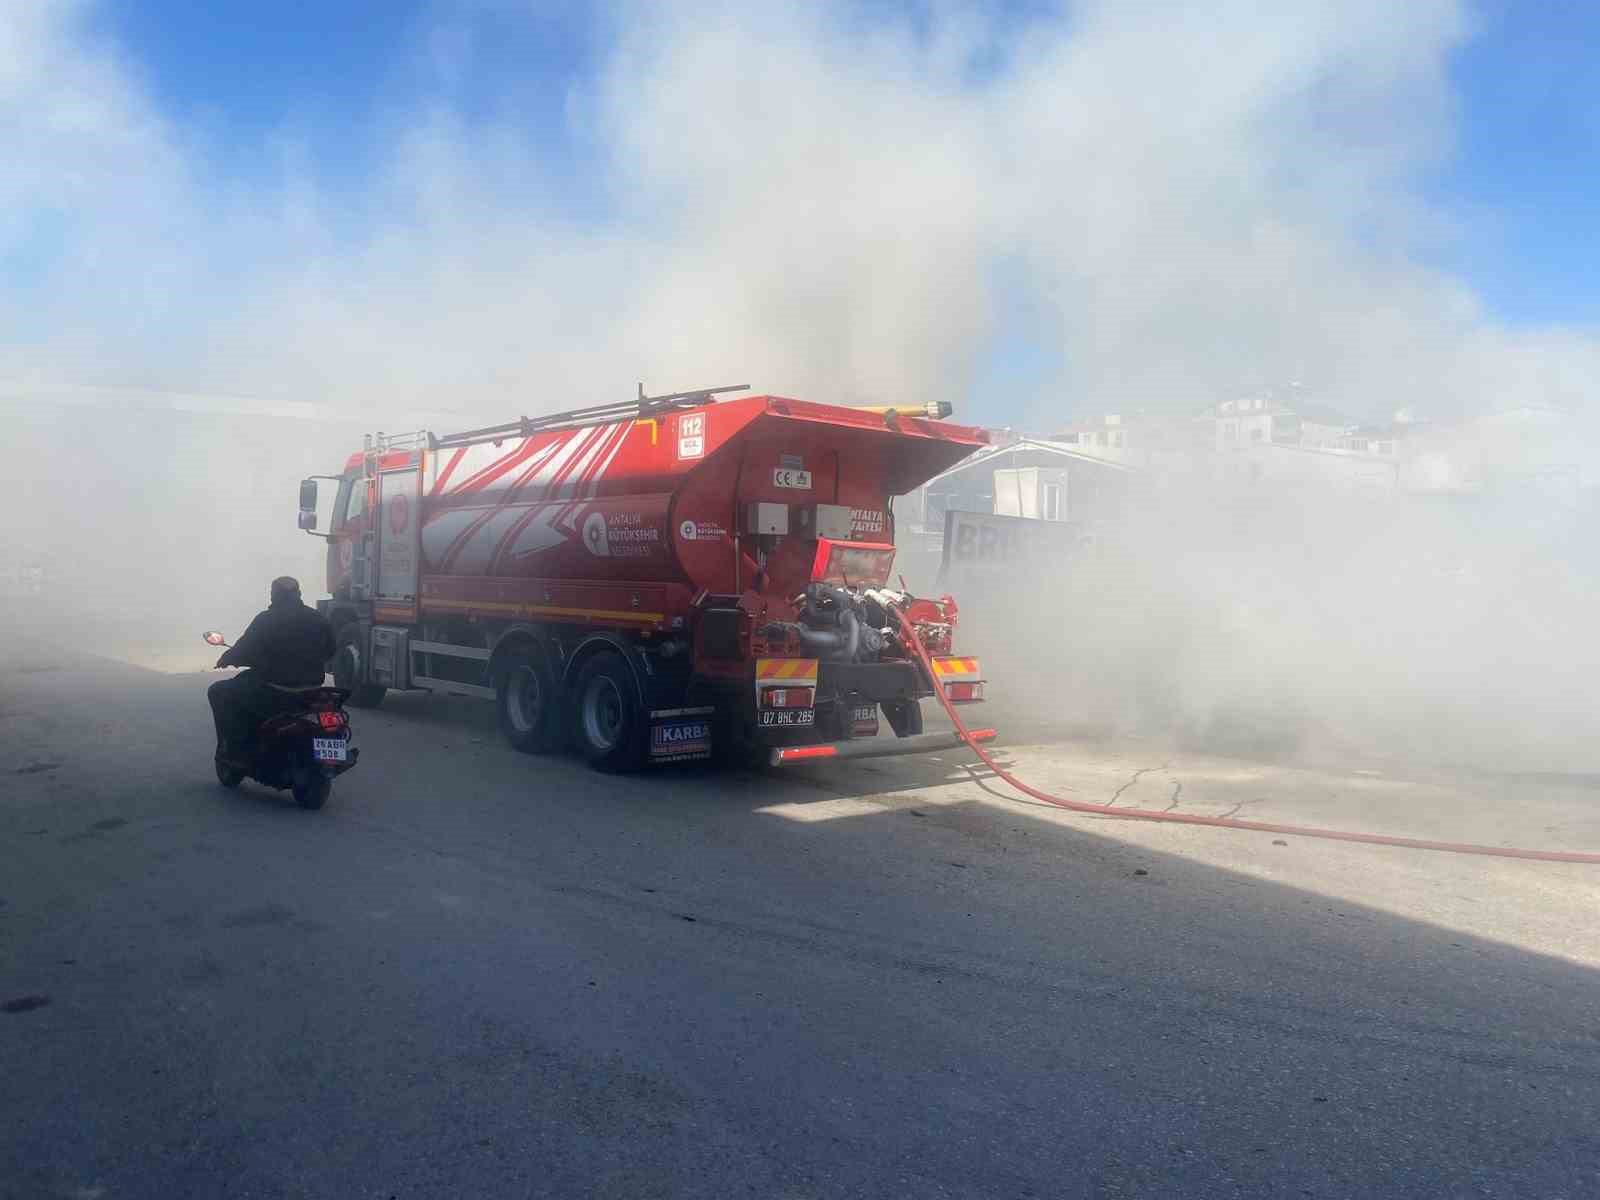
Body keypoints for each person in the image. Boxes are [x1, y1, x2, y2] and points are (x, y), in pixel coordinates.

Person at [209, 576, 337, 763]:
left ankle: (235, 752)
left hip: (273, 690)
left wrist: (228, 658)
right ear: (298, 594)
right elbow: (331, 650)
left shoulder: (265, 619)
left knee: (218, 691)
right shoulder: (318, 618)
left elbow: (244, 648)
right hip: (311, 690)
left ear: (274, 595)